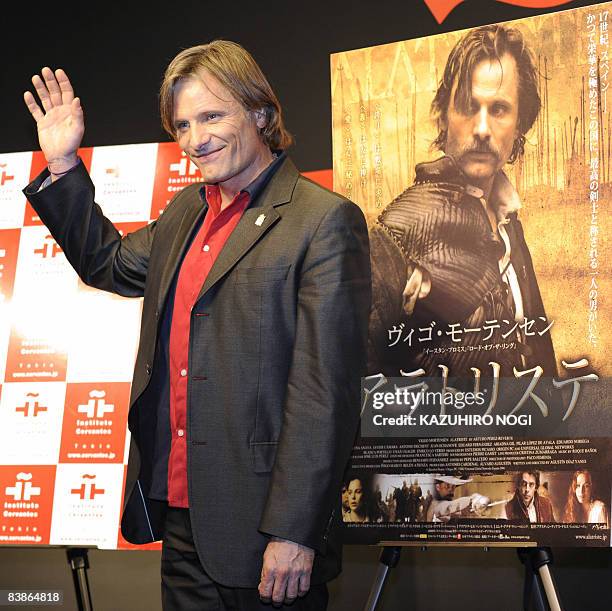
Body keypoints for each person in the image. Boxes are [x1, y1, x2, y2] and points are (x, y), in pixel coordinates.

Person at [22, 40, 371, 610]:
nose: (194, 139)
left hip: (267, 533)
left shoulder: (322, 221)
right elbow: (106, 263)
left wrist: (294, 531)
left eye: (212, 116)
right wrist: (62, 164)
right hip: (183, 523)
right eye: (182, 124)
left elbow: (324, 396)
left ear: (261, 113)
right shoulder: (186, 212)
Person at [368, 24, 556, 380]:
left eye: (499, 109)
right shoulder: (399, 232)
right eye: (469, 106)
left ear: (519, 125)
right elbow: (370, 380)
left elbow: (538, 341)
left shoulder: (508, 220)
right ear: (443, 115)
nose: (482, 127)